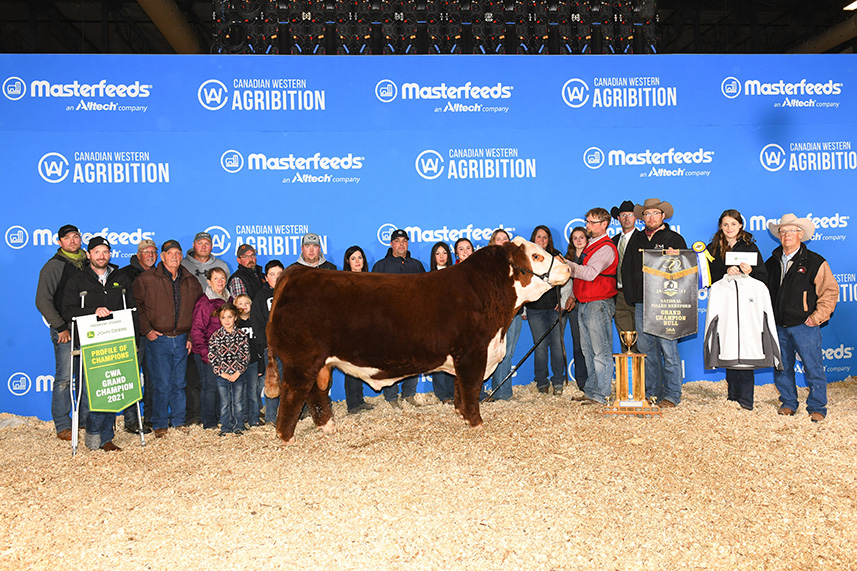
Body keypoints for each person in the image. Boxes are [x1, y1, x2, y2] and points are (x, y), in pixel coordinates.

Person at [61, 237, 136, 452]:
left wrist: (135, 341)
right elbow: (68, 310)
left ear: (110, 254)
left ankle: (107, 437)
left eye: (105, 252)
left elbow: (131, 309)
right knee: (95, 389)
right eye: (97, 252)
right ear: (88, 254)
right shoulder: (78, 280)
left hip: (117, 341)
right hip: (90, 342)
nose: (102, 256)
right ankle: (94, 432)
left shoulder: (120, 278)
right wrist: (92, 312)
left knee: (112, 388)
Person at [765, 214, 838, 422]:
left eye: (792, 231)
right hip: (779, 324)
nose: (787, 235)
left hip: (804, 325)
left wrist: (817, 317)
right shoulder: (771, 262)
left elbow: (830, 291)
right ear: (779, 235)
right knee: (782, 366)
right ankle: (788, 402)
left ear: (801, 234)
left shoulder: (815, 261)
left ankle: (817, 406)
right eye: (783, 231)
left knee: (813, 366)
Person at [133, 239, 203, 437]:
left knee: (179, 383)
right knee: (161, 383)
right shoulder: (146, 279)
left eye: (178, 254)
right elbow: (135, 306)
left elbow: (197, 311)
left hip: (181, 338)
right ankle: (160, 423)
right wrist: (147, 330)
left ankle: (179, 421)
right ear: (162, 257)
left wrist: (190, 336)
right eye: (170, 253)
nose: (175, 257)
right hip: (159, 338)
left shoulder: (190, 280)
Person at [622, 198, 687, 408]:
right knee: (646, 349)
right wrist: (632, 296)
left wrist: (677, 258)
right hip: (642, 302)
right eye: (647, 214)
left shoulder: (674, 239)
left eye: (655, 214)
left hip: (665, 302)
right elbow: (627, 267)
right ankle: (652, 393)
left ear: (663, 216)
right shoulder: (637, 238)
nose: (650, 218)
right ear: (643, 218)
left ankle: (672, 394)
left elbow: (686, 269)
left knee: (668, 350)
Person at [705, 209, 768, 410]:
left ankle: (746, 400)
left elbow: (763, 277)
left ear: (740, 225)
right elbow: (708, 275)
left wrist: (751, 271)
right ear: (720, 227)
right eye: (725, 224)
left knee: (746, 348)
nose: (729, 228)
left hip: (747, 307)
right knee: (729, 345)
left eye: (733, 224)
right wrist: (725, 271)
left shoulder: (750, 247)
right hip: (726, 306)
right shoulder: (713, 248)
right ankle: (733, 397)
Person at [35, 224, 87, 441]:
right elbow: (42, 300)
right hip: (66, 330)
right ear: (60, 242)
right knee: (64, 378)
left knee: (86, 378)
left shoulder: (88, 263)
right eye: (68, 238)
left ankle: (85, 421)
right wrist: (60, 327)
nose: (73, 241)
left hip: (88, 329)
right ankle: (63, 424)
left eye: (76, 237)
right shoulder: (54, 266)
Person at [565, 208, 618, 405]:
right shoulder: (592, 245)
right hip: (585, 302)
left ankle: (602, 394)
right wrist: (573, 295)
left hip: (598, 303)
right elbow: (582, 279)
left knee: (600, 351)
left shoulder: (605, 247)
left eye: (591, 222)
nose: (587, 225)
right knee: (587, 350)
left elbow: (589, 274)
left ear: (604, 224)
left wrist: (566, 265)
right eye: (587, 221)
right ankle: (591, 390)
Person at [372, 228, 426, 407]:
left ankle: (409, 393)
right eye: (397, 241)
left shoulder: (417, 265)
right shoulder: (381, 266)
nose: (401, 244)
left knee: (415, 358)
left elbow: (425, 292)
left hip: (414, 321)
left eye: (404, 241)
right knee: (391, 359)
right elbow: (373, 295)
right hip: (390, 322)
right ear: (391, 244)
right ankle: (391, 397)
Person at [524, 225, 567, 395]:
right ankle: (541, 382)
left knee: (557, 345)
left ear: (549, 240)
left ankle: (558, 381)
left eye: (545, 237)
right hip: (534, 309)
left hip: (554, 308)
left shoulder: (556, 257)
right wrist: (524, 310)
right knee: (540, 347)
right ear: (533, 239)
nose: (541, 240)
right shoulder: (527, 258)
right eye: (539, 237)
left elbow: (566, 279)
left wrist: (562, 301)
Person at [122, 238, 159, 433]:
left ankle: (151, 417)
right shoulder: (126, 275)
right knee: (132, 378)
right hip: (134, 334)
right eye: (147, 252)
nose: (151, 255)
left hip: (156, 334)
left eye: (153, 252)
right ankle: (131, 419)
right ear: (138, 255)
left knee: (154, 377)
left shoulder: (160, 273)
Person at [191, 267, 230, 429]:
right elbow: (197, 331)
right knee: (210, 387)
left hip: (226, 353)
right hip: (208, 352)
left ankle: (222, 418)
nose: (220, 281)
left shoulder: (229, 300)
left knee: (223, 387)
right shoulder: (204, 303)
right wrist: (205, 353)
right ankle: (209, 422)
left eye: (222, 278)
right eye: (216, 279)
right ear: (208, 282)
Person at [485, 229, 521, 401]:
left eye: (505, 239)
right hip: (496, 314)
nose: (502, 241)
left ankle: (503, 393)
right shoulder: (487, 264)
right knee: (496, 352)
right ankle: (501, 392)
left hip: (514, 311)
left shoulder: (517, 262)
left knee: (508, 353)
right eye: (498, 239)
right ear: (493, 243)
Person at [341, 246, 375, 414]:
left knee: (360, 365)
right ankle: (353, 404)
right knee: (350, 366)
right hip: (350, 329)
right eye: (353, 258)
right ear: (348, 261)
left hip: (366, 329)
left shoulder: (370, 280)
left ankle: (359, 400)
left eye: (360, 257)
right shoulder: (344, 282)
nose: (357, 261)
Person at [208, 303, 250, 436]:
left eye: (229, 317)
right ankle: (226, 427)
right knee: (225, 402)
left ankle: (239, 426)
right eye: (223, 318)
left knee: (238, 401)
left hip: (238, 375)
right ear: (219, 319)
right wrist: (222, 373)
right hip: (222, 376)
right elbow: (212, 356)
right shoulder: (215, 337)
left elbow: (245, 355)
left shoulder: (241, 335)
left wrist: (238, 372)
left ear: (235, 317)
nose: (226, 320)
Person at [251, 260, 285, 424]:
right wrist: (265, 344)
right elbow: (256, 323)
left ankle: (287, 415)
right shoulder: (260, 297)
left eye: (280, 274)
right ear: (266, 278)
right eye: (272, 274)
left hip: (289, 348)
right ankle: (271, 417)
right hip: (270, 348)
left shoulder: (291, 294)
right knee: (272, 383)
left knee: (290, 382)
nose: (276, 278)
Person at [611, 200, 641, 352]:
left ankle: (645, 375)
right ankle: (630, 375)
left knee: (643, 339)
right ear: (618, 219)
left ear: (636, 218)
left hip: (638, 296)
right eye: (623, 215)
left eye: (630, 215)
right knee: (626, 339)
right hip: (619, 295)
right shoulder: (613, 241)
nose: (627, 218)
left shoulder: (643, 239)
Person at [428, 241, 456, 404]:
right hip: (436, 322)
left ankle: (453, 392)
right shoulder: (428, 276)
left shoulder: (456, 274)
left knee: (453, 357)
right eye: (437, 253)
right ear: (433, 257)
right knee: (439, 358)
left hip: (454, 323)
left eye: (444, 252)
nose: (441, 256)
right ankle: (442, 394)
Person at [562, 226, 589, 391]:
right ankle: (582, 382)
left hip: (590, 302)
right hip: (573, 305)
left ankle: (594, 381)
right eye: (575, 238)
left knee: (592, 344)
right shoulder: (568, 259)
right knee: (578, 344)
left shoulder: (593, 256)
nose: (579, 241)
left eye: (581, 237)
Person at [235, 293, 262, 427]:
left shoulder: (256, 322)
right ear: (235, 306)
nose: (244, 306)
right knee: (239, 392)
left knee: (252, 392)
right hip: (238, 365)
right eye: (240, 304)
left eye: (247, 303)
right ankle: (241, 418)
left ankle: (254, 419)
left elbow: (259, 346)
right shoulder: (234, 324)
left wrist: (261, 364)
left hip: (253, 363)